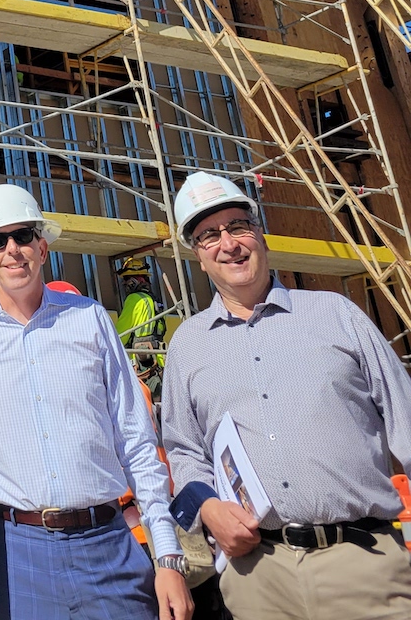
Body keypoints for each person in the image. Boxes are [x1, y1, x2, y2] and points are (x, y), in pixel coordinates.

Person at [162, 170, 411, 620]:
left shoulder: (335, 314)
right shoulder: (188, 345)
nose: (229, 244)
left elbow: (405, 419)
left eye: (238, 227)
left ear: (260, 234)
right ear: (198, 256)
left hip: (364, 564)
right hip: (259, 578)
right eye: (209, 236)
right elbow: (183, 450)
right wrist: (209, 508)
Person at [0, 183, 192, 620]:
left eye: (23, 236)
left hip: (108, 545)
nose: (12, 250)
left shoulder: (89, 319)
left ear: (42, 247)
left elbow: (136, 439)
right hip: (16, 553)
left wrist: (167, 555)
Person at [115, 256, 167, 403]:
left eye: (126, 280)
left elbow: (119, 337)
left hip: (143, 366)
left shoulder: (134, 299)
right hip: (160, 364)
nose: (125, 284)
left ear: (133, 280)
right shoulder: (153, 300)